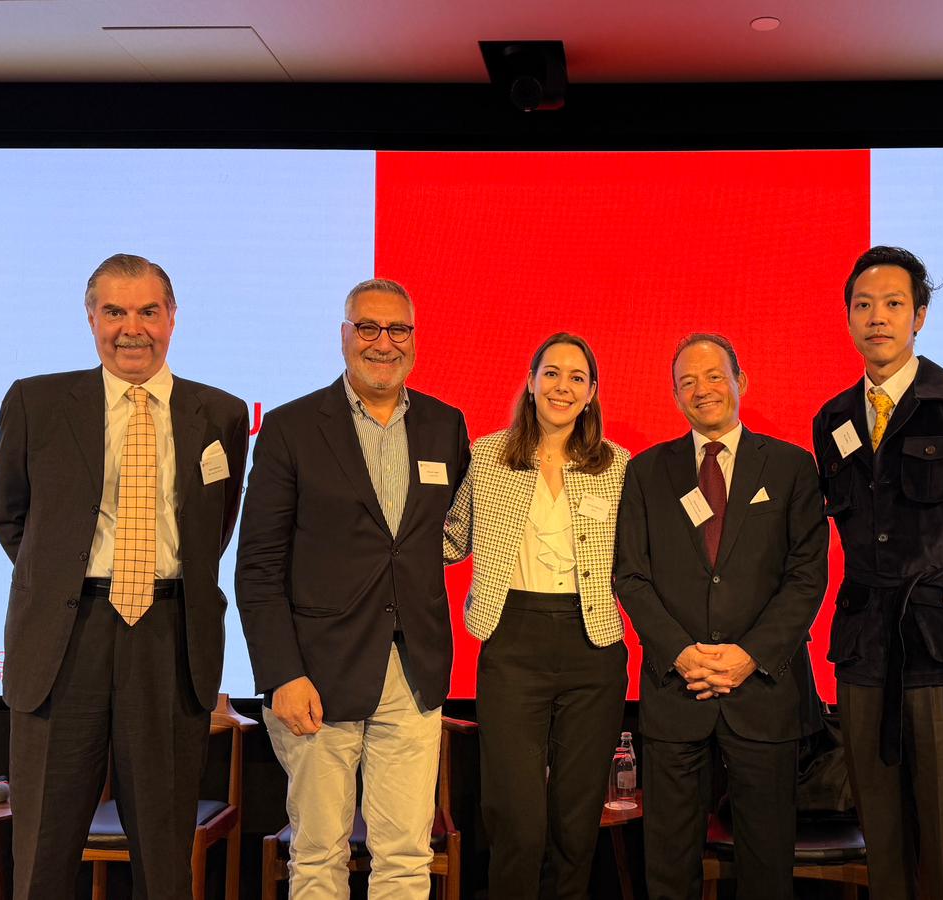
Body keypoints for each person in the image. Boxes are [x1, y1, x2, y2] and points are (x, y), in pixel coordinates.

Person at [0, 253, 249, 900]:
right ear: (91, 319)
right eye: (114, 312)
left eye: (148, 312)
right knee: (44, 854)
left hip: (169, 638)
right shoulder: (36, 403)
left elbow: (214, 530)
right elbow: (11, 518)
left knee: (163, 859)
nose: (132, 329)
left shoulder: (220, 414)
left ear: (172, 318)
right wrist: (64, 583)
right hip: (63, 641)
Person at [235, 277, 469, 900]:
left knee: (406, 859)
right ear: (344, 336)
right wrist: (282, 673)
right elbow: (258, 566)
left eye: (398, 330)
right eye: (368, 327)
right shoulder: (291, 427)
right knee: (317, 856)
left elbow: (448, 536)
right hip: (316, 676)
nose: (383, 343)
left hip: (412, 672)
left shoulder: (446, 425)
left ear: (414, 339)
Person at [811, 246, 943, 900]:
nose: (877, 317)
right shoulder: (832, 419)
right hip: (863, 649)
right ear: (848, 318)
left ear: (920, 316)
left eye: (894, 304)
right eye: (863, 305)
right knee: (882, 840)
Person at [614, 333, 829, 900]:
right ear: (674, 395)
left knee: (766, 865)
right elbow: (631, 577)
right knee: (668, 866)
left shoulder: (791, 466)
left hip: (764, 692)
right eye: (687, 381)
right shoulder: (646, 472)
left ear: (741, 382)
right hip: (675, 691)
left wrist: (748, 656)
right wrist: (682, 654)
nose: (701, 389)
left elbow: (807, 577)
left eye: (714, 376)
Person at [442, 332, 630, 900]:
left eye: (577, 377)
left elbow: (641, 558)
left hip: (592, 647)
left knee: (576, 820)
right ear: (530, 381)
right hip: (512, 642)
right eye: (551, 373)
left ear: (592, 392)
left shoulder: (617, 465)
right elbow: (450, 540)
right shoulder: (488, 456)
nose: (562, 387)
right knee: (516, 818)